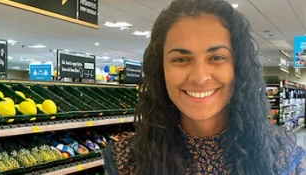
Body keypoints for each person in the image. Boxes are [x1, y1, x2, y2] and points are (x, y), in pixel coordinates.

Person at [102, 0, 305, 174]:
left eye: (217, 57)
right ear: (160, 69)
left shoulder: (280, 157)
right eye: (181, 59)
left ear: (239, 67)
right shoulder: (128, 161)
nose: (199, 77)